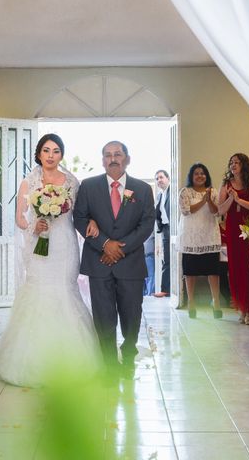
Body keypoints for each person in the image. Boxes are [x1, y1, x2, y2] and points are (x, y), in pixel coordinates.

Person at [0, 134, 101, 387]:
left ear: (61, 155)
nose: (51, 155)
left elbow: (83, 213)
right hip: (39, 243)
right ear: (39, 154)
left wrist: (94, 221)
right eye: (46, 150)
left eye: (55, 151)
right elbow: (19, 217)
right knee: (39, 291)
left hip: (64, 244)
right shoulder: (29, 181)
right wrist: (34, 224)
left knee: (64, 290)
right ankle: (30, 361)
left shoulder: (72, 182)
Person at [74, 141, 155, 380]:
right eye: (108, 155)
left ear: (127, 159)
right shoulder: (88, 186)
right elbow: (79, 218)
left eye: (117, 154)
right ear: (102, 160)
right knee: (104, 316)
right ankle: (109, 363)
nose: (113, 159)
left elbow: (147, 223)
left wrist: (121, 248)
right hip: (99, 262)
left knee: (132, 315)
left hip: (130, 264)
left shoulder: (141, 189)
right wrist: (104, 245)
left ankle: (128, 353)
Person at [218, 153, 249, 325]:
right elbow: (220, 211)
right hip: (232, 228)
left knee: (248, 268)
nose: (233, 165)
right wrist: (231, 198)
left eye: (237, 162)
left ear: (244, 164)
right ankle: (241, 308)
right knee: (235, 268)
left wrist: (240, 200)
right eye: (231, 162)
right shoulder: (226, 184)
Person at [178, 163, 222, 319]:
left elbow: (217, 212)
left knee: (213, 271)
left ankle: (216, 302)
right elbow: (186, 211)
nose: (200, 176)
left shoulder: (213, 191)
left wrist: (209, 200)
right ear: (191, 176)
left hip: (209, 235)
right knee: (190, 272)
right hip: (191, 237)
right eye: (196, 173)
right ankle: (191, 302)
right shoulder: (185, 192)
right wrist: (203, 200)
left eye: (203, 173)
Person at [154, 169, 171, 297]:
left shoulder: (173, 192)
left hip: (174, 229)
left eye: (161, 177)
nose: (159, 180)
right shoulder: (160, 195)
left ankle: (169, 290)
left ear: (167, 178)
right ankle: (165, 289)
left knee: (174, 260)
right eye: (157, 178)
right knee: (166, 260)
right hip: (165, 229)